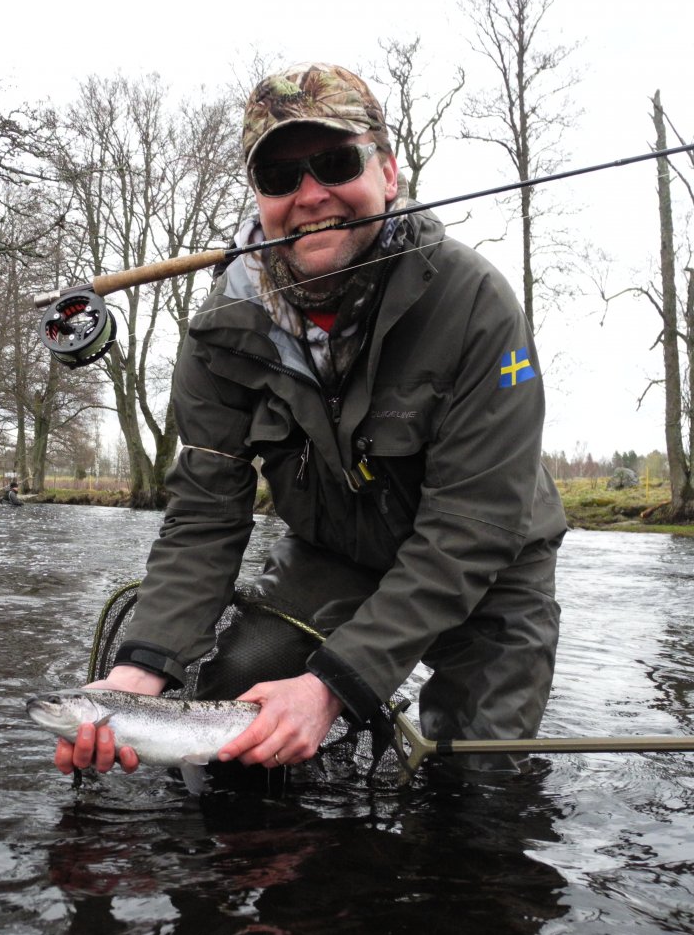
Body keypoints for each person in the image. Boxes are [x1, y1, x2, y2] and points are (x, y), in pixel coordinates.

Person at [55, 62, 566, 782]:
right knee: (239, 697)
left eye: (335, 162)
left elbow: (472, 527)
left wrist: (335, 685)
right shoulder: (221, 336)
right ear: (259, 197)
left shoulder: (475, 304)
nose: (310, 195)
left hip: (492, 564)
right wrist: (143, 670)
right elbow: (205, 516)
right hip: (337, 554)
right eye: (280, 176)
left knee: (477, 789)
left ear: (388, 172)